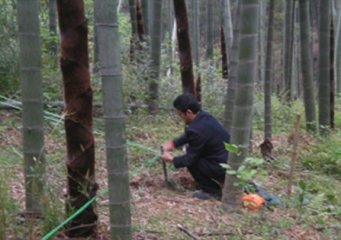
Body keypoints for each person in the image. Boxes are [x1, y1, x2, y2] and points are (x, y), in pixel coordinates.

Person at [162, 93, 230, 200]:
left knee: (194, 163)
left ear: (188, 112)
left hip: (223, 169)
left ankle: (213, 192)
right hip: (229, 163)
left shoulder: (196, 130)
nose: (181, 117)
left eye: (180, 114)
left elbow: (189, 159)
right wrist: (172, 144)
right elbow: (189, 135)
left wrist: (171, 159)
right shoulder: (203, 116)